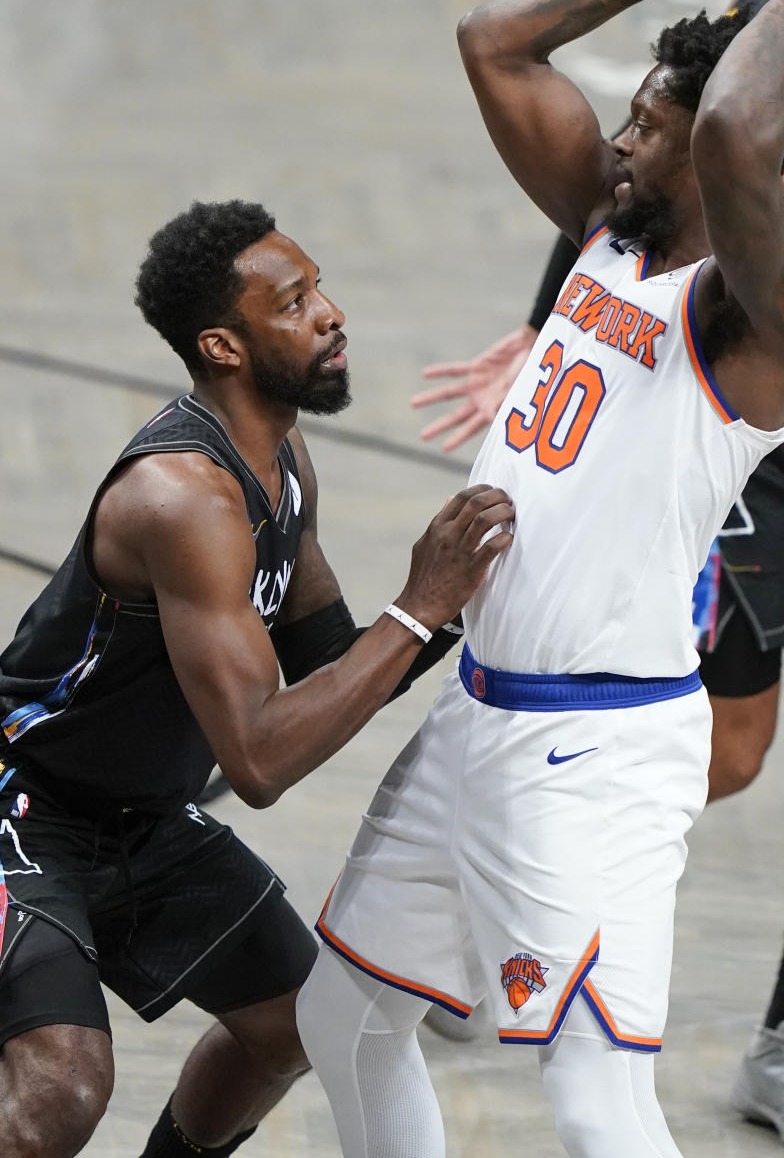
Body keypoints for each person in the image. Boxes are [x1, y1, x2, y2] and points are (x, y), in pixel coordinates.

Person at [294, 0, 784, 1157]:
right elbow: (496, 41)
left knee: (596, 1104)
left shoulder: (758, 325)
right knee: (344, 1016)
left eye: (644, 125)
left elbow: (737, 133)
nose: (620, 138)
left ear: (701, 160)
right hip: (478, 715)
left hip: (597, 757)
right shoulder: (609, 232)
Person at [0, 198, 514, 1158]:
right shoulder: (182, 497)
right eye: (294, 302)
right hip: (24, 810)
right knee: (63, 1087)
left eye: (319, 287)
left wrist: (474, 606)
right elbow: (260, 761)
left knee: (294, 1025)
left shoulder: (283, 462)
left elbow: (333, 664)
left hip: (138, 819)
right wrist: (417, 608)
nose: (332, 313)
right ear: (223, 346)